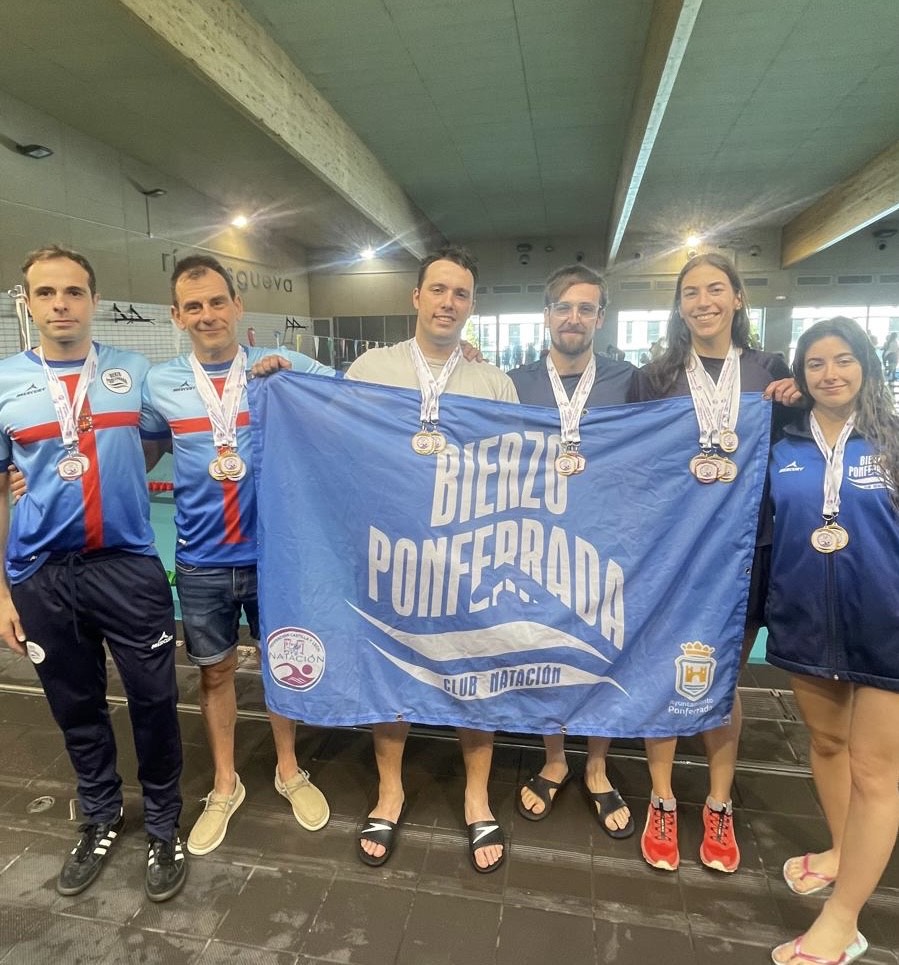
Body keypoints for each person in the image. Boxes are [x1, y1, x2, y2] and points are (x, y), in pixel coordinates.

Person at [0, 245, 186, 901]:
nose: (60, 304)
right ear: (28, 302)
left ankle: (164, 823)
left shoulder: (132, 371)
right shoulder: (3, 382)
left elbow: (178, 423)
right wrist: (0, 593)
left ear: (93, 301)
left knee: (156, 701)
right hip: (41, 574)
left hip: (127, 567)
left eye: (72, 291)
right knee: (75, 706)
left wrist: (130, 464)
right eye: (45, 293)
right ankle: (101, 816)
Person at [141, 255, 333, 856]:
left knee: (281, 665)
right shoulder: (160, 385)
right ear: (177, 316)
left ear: (237, 306)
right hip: (199, 559)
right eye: (193, 306)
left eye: (216, 301)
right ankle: (225, 783)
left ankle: (287, 768)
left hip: (276, 557)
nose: (207, 314)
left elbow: (360, 407)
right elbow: (137, 460)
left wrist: (465, 363)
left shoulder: (286, 366)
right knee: (216, 671)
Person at [346, 245, 517, 873]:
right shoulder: (371, 366)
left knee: (475, 673)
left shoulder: (491, 380)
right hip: (392, 550)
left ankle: (476, 796)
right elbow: (335, 437)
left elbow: (510, 472)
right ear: (415, 297)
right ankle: (390, 789)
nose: (448, 302)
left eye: (461, 294)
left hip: (467, 552)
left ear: (472, 306)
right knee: (393, 670)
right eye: (438, 290)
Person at [634, 252, 800, 874]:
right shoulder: (657, 377)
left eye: (715, 289)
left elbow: (807, 440)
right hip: (673, 550)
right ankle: (662, 798)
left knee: (723, 681)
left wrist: (798, 397)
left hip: (746, 550)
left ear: (736, 299)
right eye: (691, 292)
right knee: (663, 673)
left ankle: (720, 803)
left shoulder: (770, 372)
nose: (703, 301)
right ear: (680, 306)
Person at [768, 317, 899, 965]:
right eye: (815, 363)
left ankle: (841, 919)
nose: (830, 373)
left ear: (864, 365)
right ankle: (844, 853)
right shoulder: (781, 441)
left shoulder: (891, 439)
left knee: (875, 771)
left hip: (887, 627)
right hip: (804, 620)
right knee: (826, 743)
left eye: (842, 359)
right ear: (799, 374)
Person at [508, 264, 637, 838]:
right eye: (564, 307)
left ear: (600, 319)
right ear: (547, 315)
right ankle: (556, 757)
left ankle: (599, 765)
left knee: (604, 645)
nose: (574, 318)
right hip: (544, 537)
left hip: (609, 535)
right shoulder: (514, 382)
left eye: (586, 309)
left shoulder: (629, 381)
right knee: (550, 646)